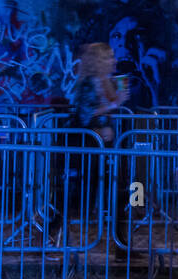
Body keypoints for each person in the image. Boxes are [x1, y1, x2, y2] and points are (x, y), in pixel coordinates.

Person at [50, 43, 128, 245]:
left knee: (120, 190)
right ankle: (50, 234)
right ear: (98, 61)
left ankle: (122, 244)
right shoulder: (88, 84)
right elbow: (84, 115)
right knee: (79, 195)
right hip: (88, 148)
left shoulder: (107, 82)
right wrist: (115, 104)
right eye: (109, 57)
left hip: (104, 147)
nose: (114, 61)